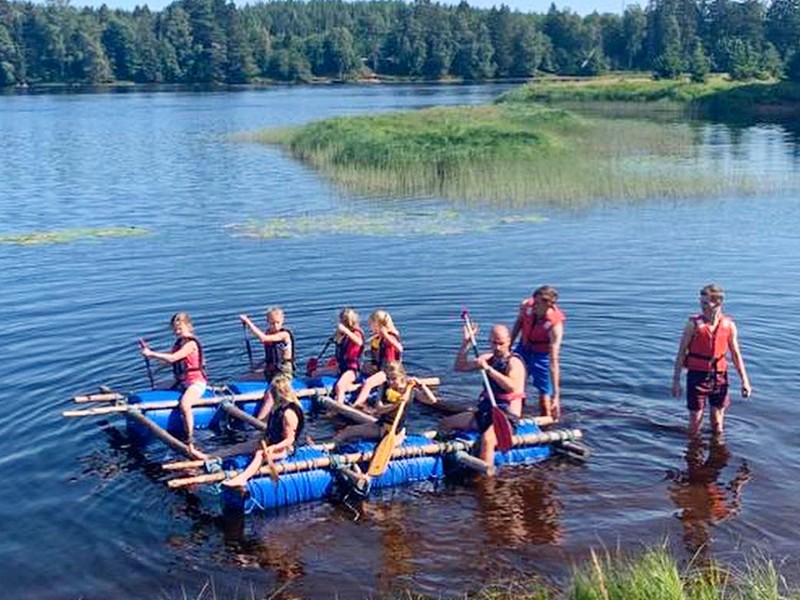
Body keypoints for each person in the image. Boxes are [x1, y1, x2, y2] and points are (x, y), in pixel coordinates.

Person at [439, 322, 526, 469]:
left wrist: (488, 369)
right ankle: (446, 460)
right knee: (445, 423)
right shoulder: (489, 358)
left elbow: (512, 387)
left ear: (509, 341)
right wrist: (465, 343)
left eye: (501, 343)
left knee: (487, 440)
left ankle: (486, 482)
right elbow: (460, 367)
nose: (497, 347)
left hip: (506, 417)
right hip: (485, 412)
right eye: (493, 343)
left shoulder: (514, 362)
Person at [672, 284, 752, 437]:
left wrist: (745, 381)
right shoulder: (693, 325)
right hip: (697, 376)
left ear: (718, 303)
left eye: (705, 303)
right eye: (701, 302)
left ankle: (718, 456)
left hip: (719, 377)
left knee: (718, 424)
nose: (702, 307)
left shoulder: (729, 326)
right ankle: (694, 455)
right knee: (695, 423)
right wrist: (676, 381)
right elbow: (681, 353)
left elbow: (736, 354)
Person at [140, 312, 209, 459]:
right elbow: (169, 361)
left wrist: (152, 353)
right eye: (175, 329)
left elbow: (173, 358)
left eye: (180, 328)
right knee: (157, 388)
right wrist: (155, 366)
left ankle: (190, 437)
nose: (177, 332)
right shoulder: (179, 343)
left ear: (188, 326)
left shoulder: (191, 344)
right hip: (182, 381)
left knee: (185, 404)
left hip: (196, 383)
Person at [222, 375, 305, 488]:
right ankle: (208, 457)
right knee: (242, 447)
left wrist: (273, 448)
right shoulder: (278, 408)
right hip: (272, 443)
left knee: (259, 454)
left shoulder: (289, 413)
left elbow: (290, 440)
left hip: (286, 449)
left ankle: (242, 478)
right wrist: (264, 440)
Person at [510, 285, 565, 420]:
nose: (534, 306)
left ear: (549, 305)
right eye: (534, 301)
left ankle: (547, 424)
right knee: (516, 385)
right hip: (524, 348)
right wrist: (508, 346)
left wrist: (556, 396)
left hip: (542, 355)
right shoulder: (526, 306)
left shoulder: (555, 326)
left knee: (544, 395)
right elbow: (518, 324)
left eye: (538, 304)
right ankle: (515, 418)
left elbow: (553, 360)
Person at [334, 362, 417, 446]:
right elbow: (379, 409)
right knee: (348, 430)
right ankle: (332, 448)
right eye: (388, 378)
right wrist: (396, 405)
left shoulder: (408, 389)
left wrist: (423, 386)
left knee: (349, 432)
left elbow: (430, 399)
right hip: (381, 425)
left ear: (402, 376)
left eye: (394, 378)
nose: (390, 382)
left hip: (394, 431)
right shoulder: (384, 386)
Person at [239, 307, 295, 421]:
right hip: (270, 370)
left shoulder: (284, 334)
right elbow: (271, 356)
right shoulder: (269, 332)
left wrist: (248, 322)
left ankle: (260, 420)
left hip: (283, 373)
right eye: (272, 323)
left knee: (270, 393)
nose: (275, 326)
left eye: (277, 322)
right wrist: (258, 366)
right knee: (245, 378)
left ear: (283, 320)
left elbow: (263, 339)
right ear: (268, 322)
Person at [351, 310, 404, 409]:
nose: (370, 327)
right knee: (362, 367)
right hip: (381, 367)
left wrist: (386, 336)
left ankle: (358, 404)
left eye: (371, 324)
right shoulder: (377, 338)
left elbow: (399, 349)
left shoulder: (391, 336)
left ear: (378, 324)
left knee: (368, 382)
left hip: (389, 371)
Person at [312, 308, 364, 404]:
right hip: (340, 367)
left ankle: (339, 404)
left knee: (340, 386)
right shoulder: (343, 335)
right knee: (315, 373)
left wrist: (346, 331)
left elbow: (359, 342)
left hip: (352, 370)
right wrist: (339, 335)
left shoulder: (357, 333)